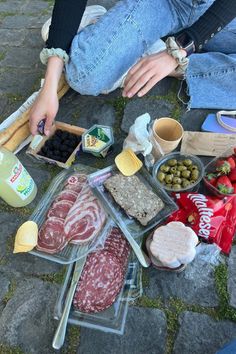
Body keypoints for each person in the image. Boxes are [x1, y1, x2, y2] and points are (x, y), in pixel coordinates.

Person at [29, 0, 236, 136]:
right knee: (84, 76)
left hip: (221, 10)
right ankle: (96, 27)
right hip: (164, 4)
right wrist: (49, 85)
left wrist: (178, 51)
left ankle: (162, 59)